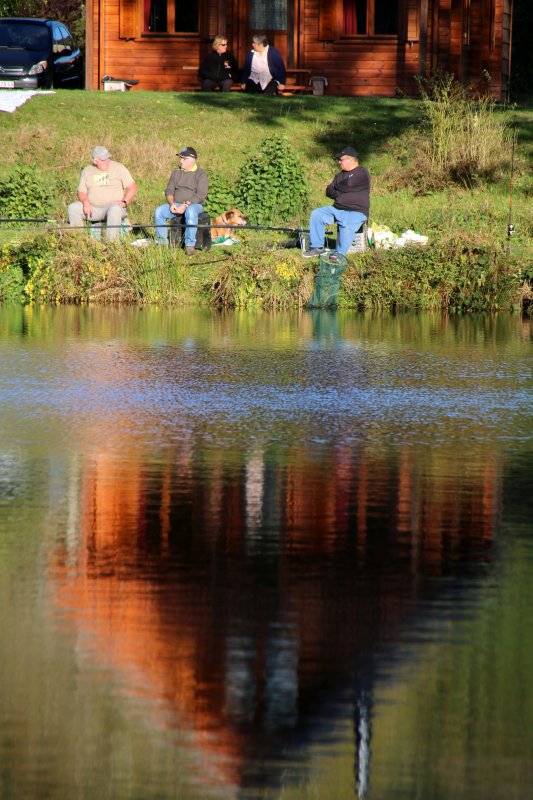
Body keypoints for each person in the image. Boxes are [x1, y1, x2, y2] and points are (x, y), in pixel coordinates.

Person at [302, 147, 370, 258]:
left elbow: (349, 184)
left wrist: (337, 187)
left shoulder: (362, 172)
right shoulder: (340, 175)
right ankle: (317, 248)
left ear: (350, 160)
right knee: (317, 214)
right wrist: (339, 190)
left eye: (341, 159)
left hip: (356, 211)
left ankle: (338, 256)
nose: (339, 162)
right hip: (337, 208)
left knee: (347, 225)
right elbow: (329, 191)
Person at [68, 146, 137, 242]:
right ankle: (79, 240)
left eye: (108, 158)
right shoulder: (87, 171)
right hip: (93, 209)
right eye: (103, 160)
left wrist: (124, 202)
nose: (107, 162)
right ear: (95, 161)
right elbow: (81, 192)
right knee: (73, 208)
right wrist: (85, 202)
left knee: (115, 209)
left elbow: (132, 187)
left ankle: (111, 243)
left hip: (113, 208)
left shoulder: (118, 168)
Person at [154, 146, 208, 255]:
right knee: (158, 211)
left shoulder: (200, 173)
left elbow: (201, 195)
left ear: (191, 160)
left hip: (195, 204)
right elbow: (169, 190)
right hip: (177, 203)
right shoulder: (176, 172)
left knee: (191, 211)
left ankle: (190, 245)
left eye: (183, 158)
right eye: (180, 158)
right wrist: (172, 203)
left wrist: (186, 204)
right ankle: (162, 243)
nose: (181, 160)